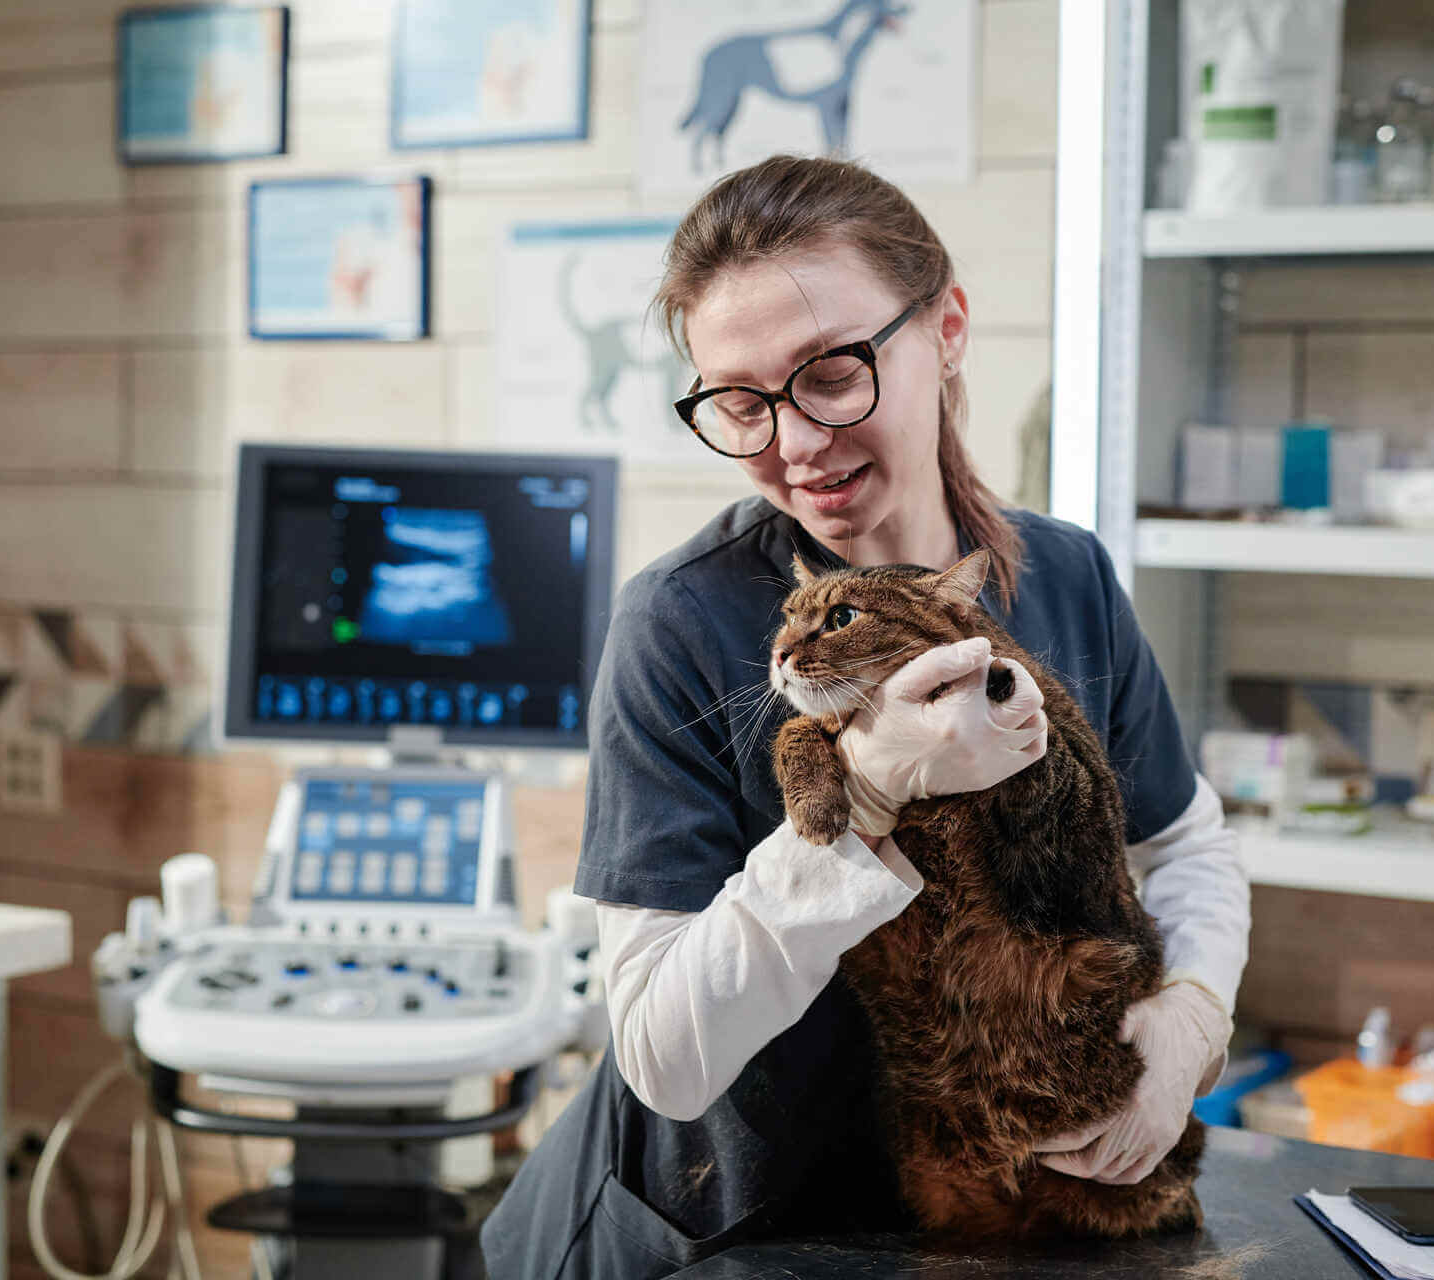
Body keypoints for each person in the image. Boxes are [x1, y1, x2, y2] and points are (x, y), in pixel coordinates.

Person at [479, 155, 1251, 1279]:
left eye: (831, 372)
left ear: (945, 330)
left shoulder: (1068, 576)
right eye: (740, 402)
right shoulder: (681, 623)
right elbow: (660, 1053)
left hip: (970, 1221)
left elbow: (1184, 844)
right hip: (731, 1232)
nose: (793, 444)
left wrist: (1191, 1013)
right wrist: (861, 807)